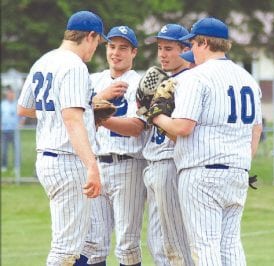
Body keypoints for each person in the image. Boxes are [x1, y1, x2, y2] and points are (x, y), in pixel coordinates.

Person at [150, 17, 263, 265]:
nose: (190, 50)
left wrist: (156, 116)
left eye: (192, 43)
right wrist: (241, 164)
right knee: (230, 246)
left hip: (202, 173)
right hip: (237, 171)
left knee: (205, 246)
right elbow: (256, 130)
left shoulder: (196, 77)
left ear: (203, 43)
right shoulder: (249, 80)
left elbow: (182, 126)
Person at [17, 10, 107, 266]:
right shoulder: (74, 65)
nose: (95, 50)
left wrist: (84, 112)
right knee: (66, 250)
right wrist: (92, 166)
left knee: (86, 242)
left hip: (49, 157)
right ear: (90, 36)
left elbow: (24, 108)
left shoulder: (44, 61)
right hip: (68, 160)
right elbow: (71, 118)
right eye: (98, 43)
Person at [75, 26, 147, 266]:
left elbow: (137, 127)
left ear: (134, 52)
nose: (116, 52)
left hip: (128, 165)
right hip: (96, 165)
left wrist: (99, 115)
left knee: (127, 243)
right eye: (112, 46)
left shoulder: (141, 83)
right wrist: (96, 103)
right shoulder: (94, 80)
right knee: (93, 243)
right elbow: (77, 121)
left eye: (123, 48)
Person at [142, 24, 194, 265]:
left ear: (186, 49)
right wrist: (143, 108)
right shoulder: (164, 80)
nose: (162, 54)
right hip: (152, 163)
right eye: (160, 48)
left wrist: (155, 114)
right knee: (156, 242)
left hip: (171, 162)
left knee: (175, 242)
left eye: (169, 48)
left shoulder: (190, 81)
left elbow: (184, 130)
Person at [1, 86, 25, 172]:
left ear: (14, 95)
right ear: (7, 94)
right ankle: (3, 166)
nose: (10, 95)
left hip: (15, 131)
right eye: (9, 93)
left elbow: (22, 116)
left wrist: (21, 124)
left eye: (12, 93)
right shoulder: (2, 104)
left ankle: (16, 167)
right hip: (4, 131)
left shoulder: (17, 104)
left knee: (17, 149)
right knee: (4, 150)